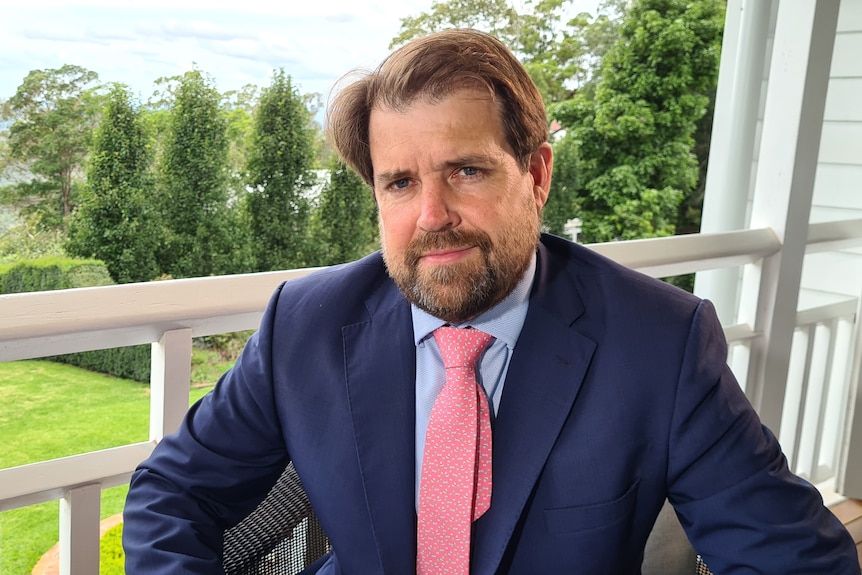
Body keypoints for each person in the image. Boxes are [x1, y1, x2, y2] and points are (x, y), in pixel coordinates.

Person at [122, 29, 859, 574]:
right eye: (400, 183)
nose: (431, 213)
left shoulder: (659, 344)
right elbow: (171, 492)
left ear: (536, 176)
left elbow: (794, 559)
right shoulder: (306, 325)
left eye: (466, 170)